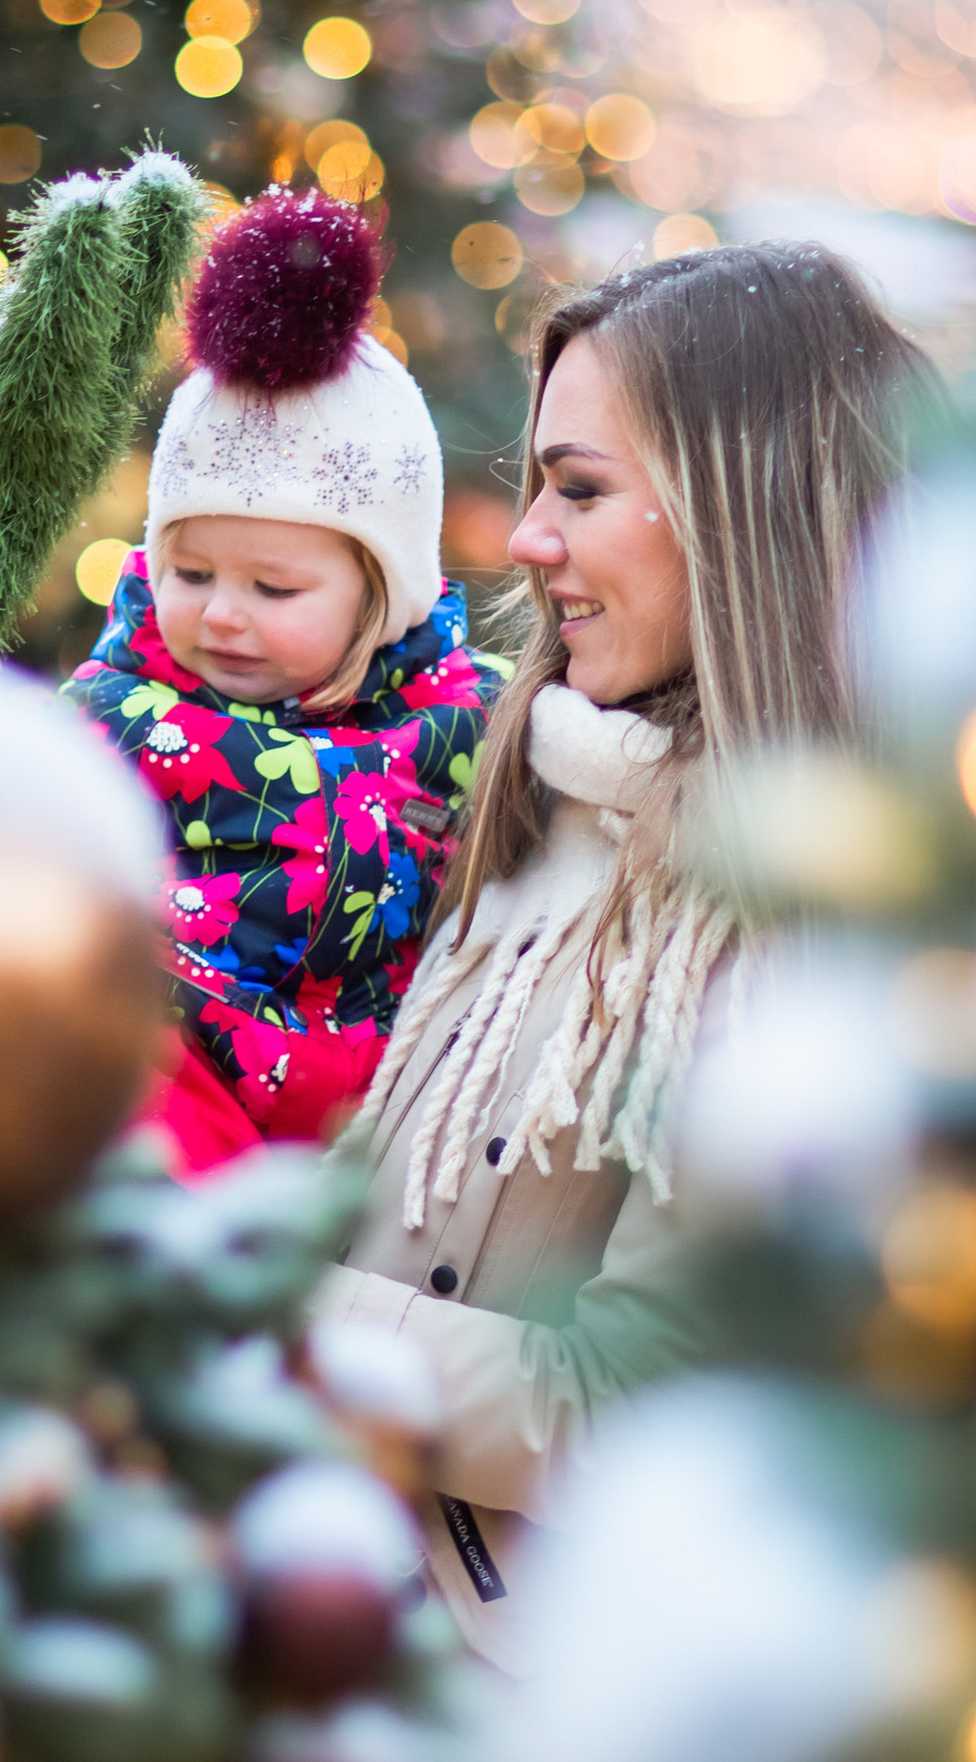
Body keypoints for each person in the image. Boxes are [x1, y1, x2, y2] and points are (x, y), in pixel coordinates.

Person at [309, 240, 929, 1658]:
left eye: (579, 490)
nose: (527, 538)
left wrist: (279, 1311)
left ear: (739, 510)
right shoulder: (545, 799)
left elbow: (641, 1413)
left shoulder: (812, 927)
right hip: (329, 1621)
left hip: (529, 1722)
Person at [69, 188, 495, 1170]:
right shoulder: (116, 715)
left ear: (377, 594)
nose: (221, 612)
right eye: (190, 573)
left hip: (372, 1122)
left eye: (273, 585)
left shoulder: (462, 724)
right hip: (173, 1078)